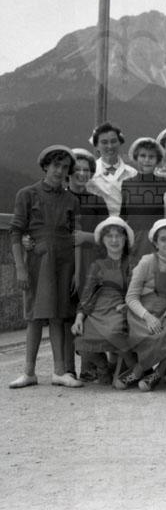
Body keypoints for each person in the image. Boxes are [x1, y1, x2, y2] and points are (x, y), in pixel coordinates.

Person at [9, 145, 83, 389]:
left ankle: (59, 371)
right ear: (45, 166)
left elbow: (76, 236)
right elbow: (16, 232)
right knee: (34, 316)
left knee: (58, 316)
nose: (60, 171)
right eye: (55, 166)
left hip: (64, 262)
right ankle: (28, 372)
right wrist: (20, 268)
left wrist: (77, 271)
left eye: (65, 167)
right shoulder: (27, 194)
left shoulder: (72, 200)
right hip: (38, 262)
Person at [71, 216, 139, 386]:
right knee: (81, 340)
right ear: (102, 240)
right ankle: (103, 367)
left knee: (113, 333)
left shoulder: (132, 263)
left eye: (118, 236)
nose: (114, 240)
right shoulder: (97, 265)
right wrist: (79, 317)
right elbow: (87, 294)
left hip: (120, 308)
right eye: (109, 236)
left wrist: (129, 305)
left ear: (125, 239)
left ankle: (134, 366)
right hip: (97, 310)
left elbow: (137, 290)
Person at [124, 219, 166, 392]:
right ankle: (140, 369)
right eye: (163, 239)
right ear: (156, 243)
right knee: (148, 334)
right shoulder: (147, 262)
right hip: (142, 313)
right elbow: (131, 297)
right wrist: (148, 317)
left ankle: (157, 373)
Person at [68, 147, 110, 380]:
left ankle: (93, 363)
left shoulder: (97, 201)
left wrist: (86, 236)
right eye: (77, 169)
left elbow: (108, 236)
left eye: (87, 169)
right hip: (65, 263)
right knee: (70, 313)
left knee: (90, 311)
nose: (82, 173)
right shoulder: (61, 199)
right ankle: (72, 366)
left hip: (91, 263)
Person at [121, 137, 166, 266]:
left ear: (158, 160)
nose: (147, 160)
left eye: (151, 156)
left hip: (158, 242)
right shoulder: (127, 184)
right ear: (136, 157)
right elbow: (123, 216)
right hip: (133, 243)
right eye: (143, 156)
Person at [86, 122, 137, 216]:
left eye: (113, 141)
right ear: (96, 146)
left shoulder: (132, 173)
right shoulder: (89, 173)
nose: (110, 146)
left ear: (120, 143)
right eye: (104, 142)